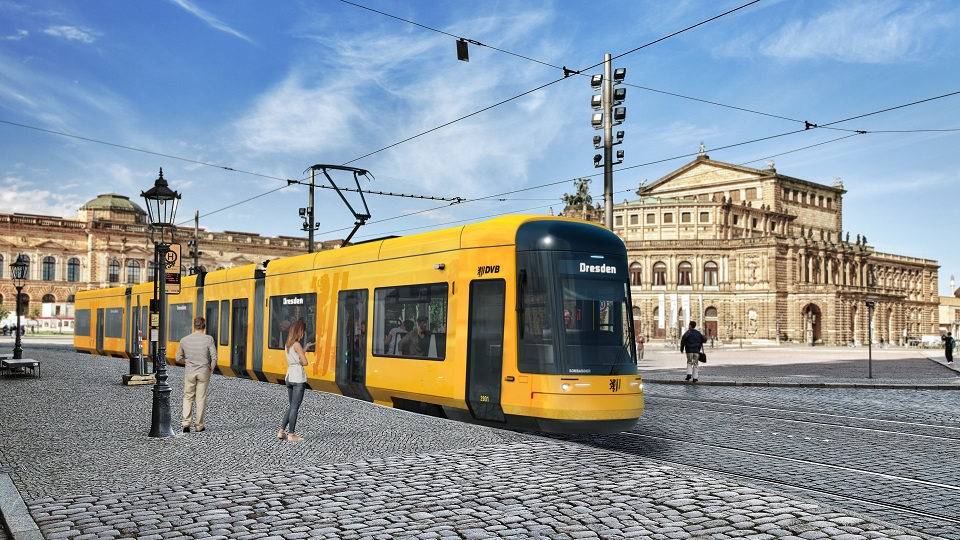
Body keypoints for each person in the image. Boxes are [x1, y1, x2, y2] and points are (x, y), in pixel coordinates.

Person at [177, 316, 218, 433]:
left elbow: (178, 357)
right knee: (200, 398)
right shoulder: (208, 339)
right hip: (204, 372)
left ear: (194, 326)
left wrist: (188, 359)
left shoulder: (184, 340)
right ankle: (199, 426)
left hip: (190, 372)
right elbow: (214, 357)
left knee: (188, 397)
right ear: (204, 327)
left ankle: (186, 424)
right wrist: (211, 369)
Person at [279, 319, 309, 442]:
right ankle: (291, 434)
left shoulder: (288, 344)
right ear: (299, 331)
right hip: (298, 377)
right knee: (295, 407)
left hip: (289, 376)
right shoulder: (297, 344)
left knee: (291, 406)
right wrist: (304, 353)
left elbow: (296, 357)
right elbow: (304, 362)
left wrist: (305, 348)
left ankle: (281, 431)